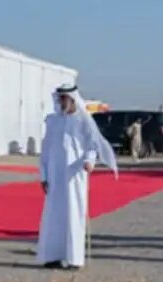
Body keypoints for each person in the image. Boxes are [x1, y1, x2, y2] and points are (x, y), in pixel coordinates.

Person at [36, 84, 116, 270]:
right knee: (54, 215)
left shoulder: (83, 120)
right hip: (55, 176)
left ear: (73, 99)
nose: (61, 101)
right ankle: (52, 256)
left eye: (64, 98)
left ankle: (74, 259)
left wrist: (89, 161)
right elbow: (45, 150)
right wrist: (44, 175)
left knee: (74, 213)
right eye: (60, 98)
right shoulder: (53, 121)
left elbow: (92, 145)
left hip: (74, 175)